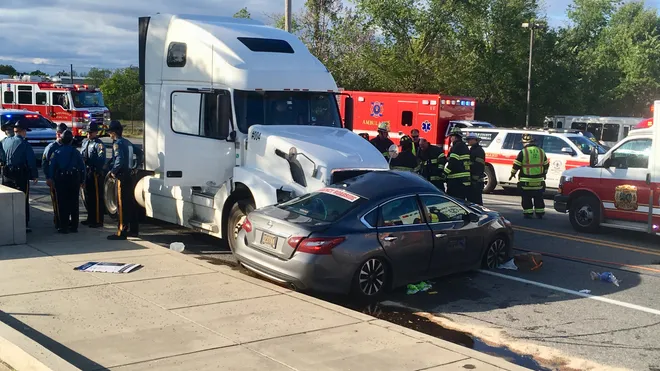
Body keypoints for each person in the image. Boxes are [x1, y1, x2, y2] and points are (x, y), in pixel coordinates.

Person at [2, 120, 38, 232]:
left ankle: (6, 222)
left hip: (6, 173)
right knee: (22, 198)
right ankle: (23, 223)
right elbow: (31, 161)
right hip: (20, 175)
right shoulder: (24, 144)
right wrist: (34, 175)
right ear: (23, 132)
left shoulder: (4, 141)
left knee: (7, 200)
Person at [106, 120, 139, 240]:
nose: (109, 135)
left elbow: (119, 160)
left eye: (110, 133)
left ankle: (122, 231)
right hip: (129, 175)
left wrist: (113, 172)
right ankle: (134, 230)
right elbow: (140, 153)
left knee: (121, 205)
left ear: (114, 133)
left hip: (121, 176)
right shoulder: (128, 142)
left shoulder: (118, 144)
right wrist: (135, 166)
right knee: (130, 203)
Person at [47, 130, 85, 233]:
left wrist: (50, 178)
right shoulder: (76, 152)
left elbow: (52, 167)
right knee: (74, 203)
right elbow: (82, 167)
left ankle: (63, 226)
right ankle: (74, 226)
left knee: (62, 203)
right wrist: (82, 180)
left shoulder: (57, 152)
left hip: (61, 179)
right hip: (74, 179)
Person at [509, 134, 549, 219]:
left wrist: (512, 174)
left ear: (525, 143)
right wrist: (544, 173)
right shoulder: (541, 151)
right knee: (539, 197)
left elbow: (516, 165)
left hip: (526, 181)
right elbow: (546, 164)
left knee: (526, 197)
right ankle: (540, 212)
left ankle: (528, 213)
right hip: (539, 181)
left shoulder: (523, 152)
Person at [80, 122, 106, 228]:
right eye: (88, 132)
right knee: (88, 196)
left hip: (95, 173)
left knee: (96, 197)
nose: (89, 134)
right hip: (86, 172)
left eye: (91, 132)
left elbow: (101, 159)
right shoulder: (85, 142)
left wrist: (95, 168)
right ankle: (90, 218)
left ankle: (98, 220)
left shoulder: (98, 144)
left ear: (96, 132)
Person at [43, 123, 68, 229]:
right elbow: (45, 163)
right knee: (57, 201)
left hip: (65, 178)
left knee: (66, 201)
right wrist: (48, 177)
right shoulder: (51, 147)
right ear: (58, 134)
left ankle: (65, 220)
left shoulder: (66, 146)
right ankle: (58, 222)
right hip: (55, 178)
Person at [443, 127, 471, 201]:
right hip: (464, 180)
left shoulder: (456, 147)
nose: (450, 138)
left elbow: (453, 162)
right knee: (461, 201)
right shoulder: (464, 146)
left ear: (455, 137)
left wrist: (444, 173)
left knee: (454, 201)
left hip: (457, 181)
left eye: (451, 136)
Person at [466, 132, 486, 205]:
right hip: (473, 179)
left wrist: (475, 178)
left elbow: (479, 166)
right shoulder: (472, 149)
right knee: (471, 200)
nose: (468, 141)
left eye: (470, 139)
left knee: (477, 201)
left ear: (476, 140)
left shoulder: (478, 151)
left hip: (477, 181)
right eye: (468, 139)